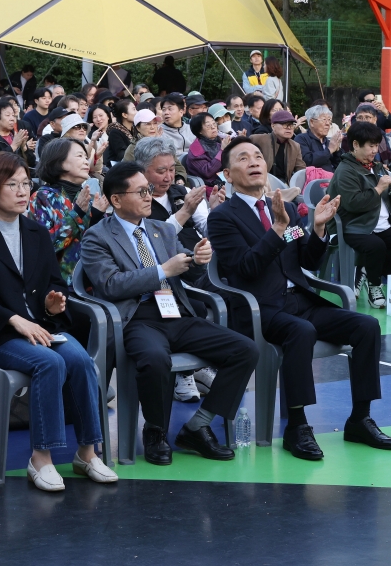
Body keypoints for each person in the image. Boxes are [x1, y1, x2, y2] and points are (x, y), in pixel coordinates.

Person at [207, 137, 391, 459]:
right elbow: (246, 267)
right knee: (301, 331)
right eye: (243, 158)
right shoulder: (224, 218)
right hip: (261, 308)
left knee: (366, 326)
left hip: (300, 302)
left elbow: (305, 259)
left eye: (257, 156)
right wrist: (278, 229)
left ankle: (360, 418)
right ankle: (296, 426)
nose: (254, 162)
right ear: (227, 174)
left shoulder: (289, 210)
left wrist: (318, 230)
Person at [0, 152, 116, 491]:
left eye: (25, 184)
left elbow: (54, 281)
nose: (21, 191)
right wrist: (16, 320)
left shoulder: (36, 232)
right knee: (50, 364)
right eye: (11, 184)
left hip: (43, 327)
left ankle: (88, 450)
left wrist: (52, 302)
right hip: (0, 336)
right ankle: (40, 457)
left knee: (80, 359)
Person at [83, 161, 259, 465]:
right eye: (140, 192)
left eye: (148, 190)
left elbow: (188, 278)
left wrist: (198, 261)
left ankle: (198, 424)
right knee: (154, 359)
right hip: (136, 318)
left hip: (176, 312)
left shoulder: (161, 230)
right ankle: (155, 431)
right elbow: (110, 285)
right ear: (115, 200)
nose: (149, 196)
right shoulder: (97, 237)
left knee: (245, 349)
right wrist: (163, 269)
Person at [330, 122, 391, 310]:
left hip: (379, 223)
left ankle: (366, 271)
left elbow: (385, 199)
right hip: (353, 225)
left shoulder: (376, 167)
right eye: (370, 146)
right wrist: (379, 188)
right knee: (377, 246)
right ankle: (375, 286)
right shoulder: (345, 170)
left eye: (377, 145)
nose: (374, 150)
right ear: (356, 145)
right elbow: (353, 203)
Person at [30, 138, 106, 281]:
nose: (86, 161)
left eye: (86, 157)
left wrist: (95, 216)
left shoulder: (85, 195)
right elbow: (47, 246)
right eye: (79, 156)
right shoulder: (42, 197)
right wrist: (77, 214)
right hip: (60, 284)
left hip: (95, 280)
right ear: (59, 161)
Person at [249, 108, 304, 184]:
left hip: (284, 185)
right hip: (261, 183)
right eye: (284, 124)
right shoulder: (258, 139)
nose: (289, 127)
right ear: (273, 126)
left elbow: (301, 170)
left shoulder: (295, 146)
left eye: (291, 125)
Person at [296, 105, 342, 172]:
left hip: (331, 180)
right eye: (324, 119)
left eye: (329, 120)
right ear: (312, 122)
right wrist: (329, 150)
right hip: (312, 181)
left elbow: (339, 166)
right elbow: (308, 161)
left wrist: (337, 151)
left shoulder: (328, 142)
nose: (328, 123)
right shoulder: (301, 139)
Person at [185, 112, 225, 186]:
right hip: (208, 187)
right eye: (208, 126)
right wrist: (222, 151)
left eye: (214, 123)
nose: (213, 127)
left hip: (224, 181)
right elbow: (207, 172)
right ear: (199, 131)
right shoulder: (196, 150)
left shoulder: (218, 143)